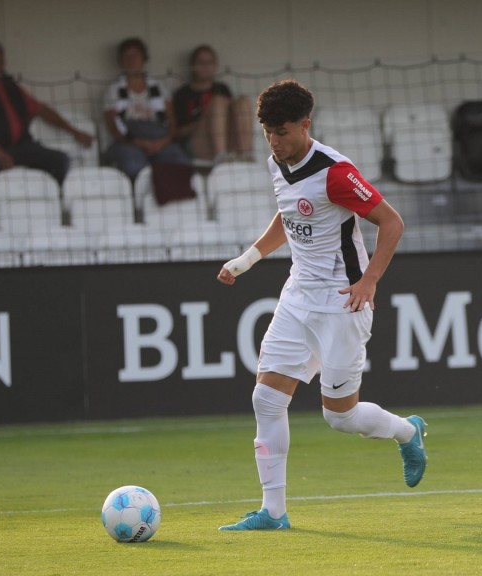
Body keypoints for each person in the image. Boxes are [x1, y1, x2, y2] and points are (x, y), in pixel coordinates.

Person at [216, 80, 426, 531]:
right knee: (266, 400)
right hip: (297, 297)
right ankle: (273, 513)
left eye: (283, 132)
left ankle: (407, 431)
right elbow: (289, 213)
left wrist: (369, 281)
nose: (275, 141)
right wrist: (249, 258)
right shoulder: (278, 162)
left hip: (341, 302)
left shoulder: (335, 171)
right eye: (268, 132)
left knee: (341, 417)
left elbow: (391, 222)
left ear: (306, 125)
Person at [0, 38, 93, 186]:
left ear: (2, 64)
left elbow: (41, 110)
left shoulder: (10, 86)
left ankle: (49, 200)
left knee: (60, 160)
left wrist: (74, 131)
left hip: (19, 146)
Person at [102, 37, 191, 180]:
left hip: (160, 139)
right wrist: (137, 142)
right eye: (127, 56)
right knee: (134, 167)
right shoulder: (113, 89)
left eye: (136, 55)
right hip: (128, 140)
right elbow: (113, 126)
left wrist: (164, 141)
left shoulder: (159, 87)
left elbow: (172, 121)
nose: (131, 60)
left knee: (180, 163)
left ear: (144, 59)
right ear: (121, 61)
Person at [172, 45, 254, 164]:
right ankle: (220, 156)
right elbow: (177, 133)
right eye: (201, 62)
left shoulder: (222, 88)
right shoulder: (183, 94)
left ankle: (247, 155)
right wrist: (207, 119)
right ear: (192, 65)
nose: (205, 66)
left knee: (243, 101)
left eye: (209, 62)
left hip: (226, 140)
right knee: (218, 101)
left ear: (215, 66)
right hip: (199, 143)